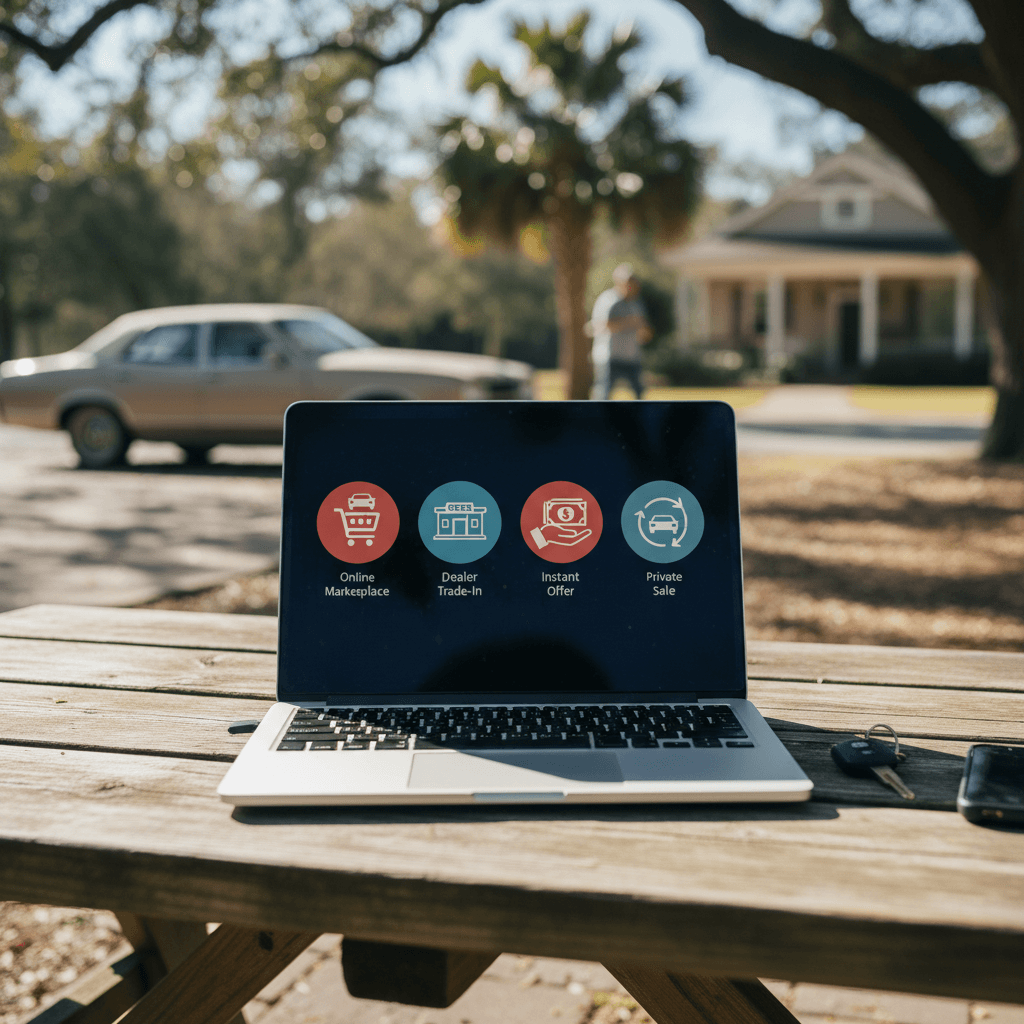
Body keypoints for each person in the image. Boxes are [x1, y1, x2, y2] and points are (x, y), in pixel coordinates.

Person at [590, 263, 652, 400]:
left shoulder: (636, 304)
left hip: (631, 356)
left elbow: (643, 331)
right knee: (603, 394)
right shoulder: (608, 300)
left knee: (639, 394)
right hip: (609, 356)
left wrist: (643, 330)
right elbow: (601, 326)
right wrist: (630, 323)